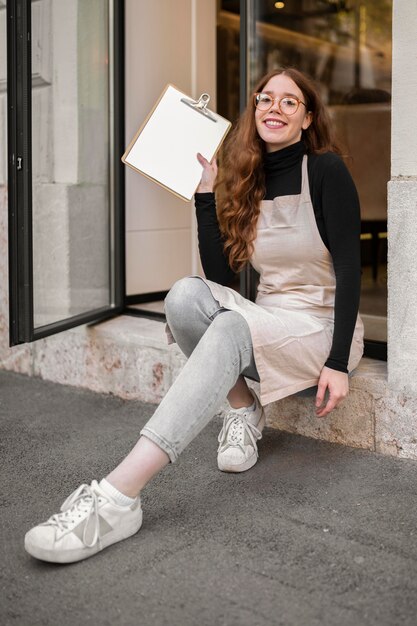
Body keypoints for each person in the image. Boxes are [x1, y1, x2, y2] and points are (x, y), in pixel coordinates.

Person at [24, 67, 364, 564]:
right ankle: (244, 408)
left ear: (307, 118)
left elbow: (352, 268)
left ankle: (119, 495)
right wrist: (207, 194)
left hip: (323, 323)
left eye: (289, 102)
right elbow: (223, 279)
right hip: (270, 318)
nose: (274, 107)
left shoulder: (328, 171)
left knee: (229, 323)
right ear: (255, 110)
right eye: (265, 98)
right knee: (185, 295)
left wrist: (337, 362)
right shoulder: (250, 175)